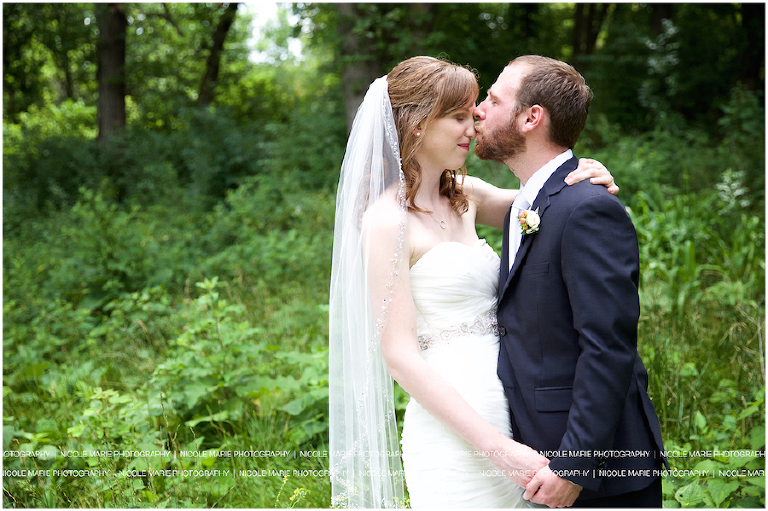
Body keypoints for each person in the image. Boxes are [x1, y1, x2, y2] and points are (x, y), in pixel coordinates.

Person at [328, 56, 618, 508]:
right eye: (459, 116)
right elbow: (399, 356)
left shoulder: (467, 194)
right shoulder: (386, 220)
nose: (474, 123)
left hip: (515, 401)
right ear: (418, 124)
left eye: (474, 111)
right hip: (457, 422)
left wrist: (590, 172)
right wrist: (498, 450)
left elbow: (554, 201)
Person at [473, 55, 667, 508]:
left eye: (493, 99)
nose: (480, 109)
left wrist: (574, 466)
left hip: (597, 470)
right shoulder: (529, 204)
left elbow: (608, 346)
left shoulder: (587, 207)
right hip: (536, 451)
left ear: (530, 117)